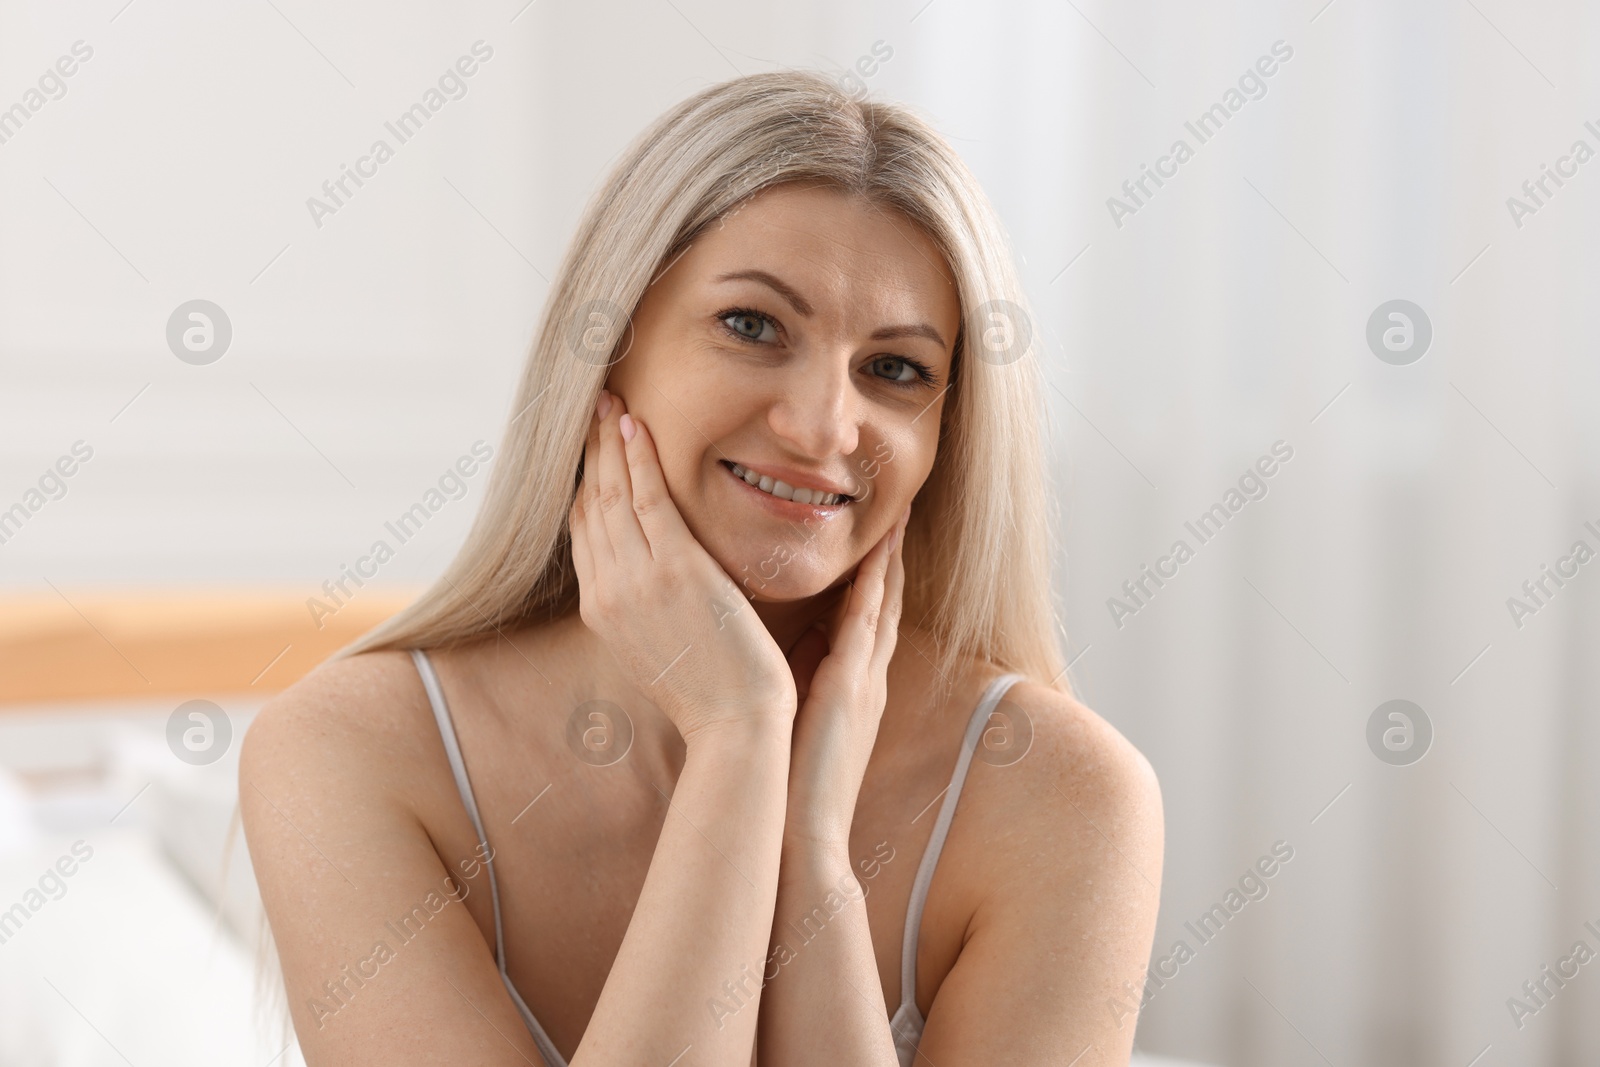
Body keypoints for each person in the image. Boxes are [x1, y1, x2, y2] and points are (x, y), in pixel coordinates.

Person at [240, 69, 1163, 1067]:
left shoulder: (1062, 793)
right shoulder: (347, 750)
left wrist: (810, 855)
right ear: (606, 349)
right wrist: (737, 737)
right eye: (753, 325)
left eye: (894, 368)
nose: (821, 427)